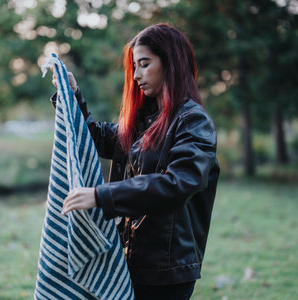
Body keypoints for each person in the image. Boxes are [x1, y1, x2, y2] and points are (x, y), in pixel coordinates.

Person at [51, 23, 219, 300]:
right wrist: (72, 97)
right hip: (129, 259)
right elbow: (98, 138)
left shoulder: (192, 120)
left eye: (144, 64)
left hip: (166, 270)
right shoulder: (144, 118)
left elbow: (177, 184)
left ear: (170, 63)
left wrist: (100, 195)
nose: (137, 74)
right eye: (134, 66)